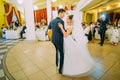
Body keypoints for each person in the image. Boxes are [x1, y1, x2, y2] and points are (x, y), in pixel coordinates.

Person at [48, 9, 66, 74]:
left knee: (56, 51)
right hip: (59, 40)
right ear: (60, 13)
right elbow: (62, 31)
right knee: (62, 54)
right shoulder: (61, 21)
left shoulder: (52, 21)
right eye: (63, 13)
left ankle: (56, 63)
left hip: (53, 39)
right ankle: (60, 70)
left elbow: (49, 28)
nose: (64, 15)